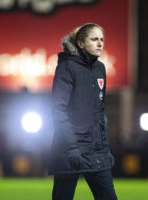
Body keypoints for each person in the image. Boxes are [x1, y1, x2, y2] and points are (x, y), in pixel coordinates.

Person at [48, 23, 117, 200]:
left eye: (102, 39)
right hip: (70, 151)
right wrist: (71, 147)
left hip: (97, 152)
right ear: (80, 43)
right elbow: (58, 110)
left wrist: (104, 146)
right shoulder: (67, 67)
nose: (100, 43)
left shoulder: (100, 68)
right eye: (94, 39)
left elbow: (99, 112)